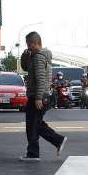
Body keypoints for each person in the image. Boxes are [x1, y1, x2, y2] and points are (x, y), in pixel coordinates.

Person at [19, 31, 66, 161]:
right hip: (36, 94)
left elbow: (40, 78)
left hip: (38, 95)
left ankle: (34, 153)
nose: (27, 47)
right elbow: (25, 67)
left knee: (33, 125)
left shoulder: (39, 57)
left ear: (35, 43)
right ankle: (57, 141)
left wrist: (39, 97)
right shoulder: (34, 56)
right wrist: (24, 56)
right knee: (35, 124)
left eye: (29, 44)